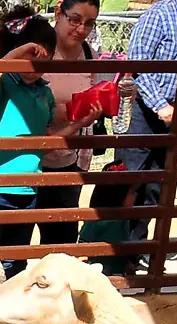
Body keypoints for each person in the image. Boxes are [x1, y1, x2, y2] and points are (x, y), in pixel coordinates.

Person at [0, 9, 101, 277]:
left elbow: (47, 141)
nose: (33, 67)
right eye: (27, 56)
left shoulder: (44, 92)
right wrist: (14, 56)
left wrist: (79, 123)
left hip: (28, 191)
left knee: (15, 264)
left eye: (41, 58)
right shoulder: (4, 84)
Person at [111, 0, 177, 247]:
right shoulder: (158, 15)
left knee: (156, 186)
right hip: (143, 108)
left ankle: (136, 249)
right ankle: (109, 245)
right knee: (128, 179)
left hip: (174, 112)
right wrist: (160, 106)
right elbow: (138, 63)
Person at [39, 0, 105, 251]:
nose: (80, 29)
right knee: (15, 244)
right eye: (75, 19)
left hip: (68, 161)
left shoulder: (90, 56)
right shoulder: (38, 50)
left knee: (61, 244)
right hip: (31, 160)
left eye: (89, 23)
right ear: (59, 12)